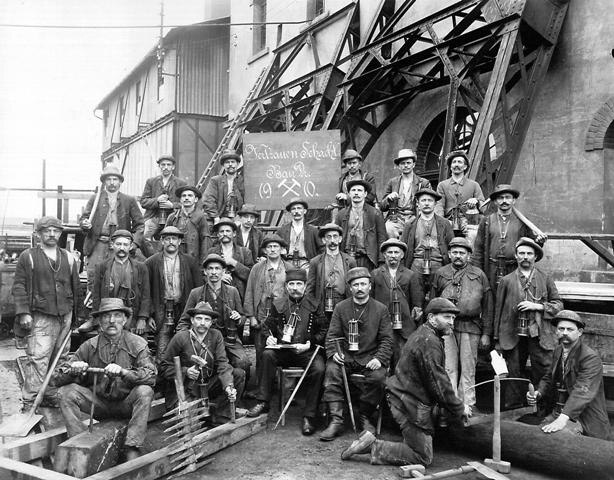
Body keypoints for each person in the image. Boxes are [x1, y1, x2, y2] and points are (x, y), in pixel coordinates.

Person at [340, 298, 471, 467]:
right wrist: (460, 408)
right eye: (447, 317)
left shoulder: (426, 334)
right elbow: (439, 383)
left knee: (424, 443)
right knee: (422, 457)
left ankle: (373, 442)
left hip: (407, 397)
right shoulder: (428, 341)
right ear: (431, 318)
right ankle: (372, 445)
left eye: (453, 318)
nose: (451, 322)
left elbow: (436, 379)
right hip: (407, 403)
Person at [54, 298, 156, 461]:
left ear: (124, 319)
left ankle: (132, 446)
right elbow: (56, 379)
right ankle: (79, 442)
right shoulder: (89, 345)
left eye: (117, 315)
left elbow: (151, 377)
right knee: (65, 392)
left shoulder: (138, 344)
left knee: (145, 391)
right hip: (98, 404)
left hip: (125, 405)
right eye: (106, 316)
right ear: (99, 321)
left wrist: (124, 372)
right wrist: (74, 371)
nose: (111, 321)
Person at [246, 269, 327, 436]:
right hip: (284, 350)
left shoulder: (315, 304)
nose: (295, 288)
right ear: (286, 286)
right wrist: (269, 338)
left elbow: (325, 330)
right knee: (267, 355)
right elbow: (267, 326)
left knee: (319, 368)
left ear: (305, 286)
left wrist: (309, 343)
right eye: (291, 284)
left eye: (299, 284)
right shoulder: (278, 304)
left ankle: (310, 415)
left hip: (306, 351)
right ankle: (263, 401)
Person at [12, 216, 79, 409]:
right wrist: (24, 312)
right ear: (39, 234)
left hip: (65, 314)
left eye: (56, 231)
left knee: (60, 357)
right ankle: (31, 400)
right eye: (47, 231)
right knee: (38, 358)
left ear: (60, 233)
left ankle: (49, 393)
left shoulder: (68, 257)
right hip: (41, 315)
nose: (52, 234)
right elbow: (19, 286)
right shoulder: (29, 256)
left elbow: (76, 288)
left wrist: (77, 317)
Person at [320, 267, 393, 441]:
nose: (359, 288)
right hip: (345, 356)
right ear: (350, 288)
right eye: (355, 285)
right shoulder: (341, 307)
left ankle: (365, 416)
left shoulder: (381, 309)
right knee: (331, 370)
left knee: (378, 378)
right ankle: (336, 420)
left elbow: (387, 340)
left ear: (369, 286)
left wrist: (379, 358)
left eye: (363, 284)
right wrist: (333, 353)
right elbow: (332, 335)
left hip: (370, 357)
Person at [494, 237, 563, 407]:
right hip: (512, 334)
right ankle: (513, 410)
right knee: (514, 372)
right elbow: (498, 311)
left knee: (543, 370)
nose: (525, 256)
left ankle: (543, 408)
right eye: (522, 253)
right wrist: (496, 339)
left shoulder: (545, 278)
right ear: (516, 256)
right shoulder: (506, 280)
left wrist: (537, 306)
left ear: (535, 257)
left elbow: (558, 305)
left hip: (539, 334)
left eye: (529, 253)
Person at [527, 310, 611, 440]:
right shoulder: (558, 350)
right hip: (560, 412)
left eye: (570, 329)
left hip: (583, 417)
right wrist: (538, 393)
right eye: (561, 328)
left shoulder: (590, 358)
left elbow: (582, 391)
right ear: (556, 331)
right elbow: (549, 377)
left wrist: (562, 419)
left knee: (559, 440)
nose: (564, 332)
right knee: (537, 437)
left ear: (580, 332)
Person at [430, 237, 492, 410]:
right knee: (448, 367)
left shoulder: (479, 275)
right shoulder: (441, 273)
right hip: (445, 328)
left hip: (470, 327)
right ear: (449, 254)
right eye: (455, 252)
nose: (458, 256)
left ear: (469, 255)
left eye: (462, 253)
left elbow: (488, 306)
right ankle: (450, 405)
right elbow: (433, 303)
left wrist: (486, 332)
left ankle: (467, 405)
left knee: (468, 369)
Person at [160, 301, 243, 423]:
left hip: (207, 385)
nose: (202, 323)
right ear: (192, 320)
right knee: (189, 423)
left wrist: (228, 386)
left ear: (211, 322)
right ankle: (199, 412)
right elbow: (163, 367)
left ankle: (220, 414)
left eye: (207, 319)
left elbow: (222, 363)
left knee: (238, 374)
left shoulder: (216, 336)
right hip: (187, 388)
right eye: (199, 318)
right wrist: (185, 371)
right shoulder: (180, 338)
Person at [177, 254, 251, 375]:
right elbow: (184, 321)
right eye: (210, 269)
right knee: (198, 364)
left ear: (224, 271)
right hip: (204, 339)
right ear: (205, 272)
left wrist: (238, 319)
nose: (214, 272)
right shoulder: (196, 293)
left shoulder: (232, 292)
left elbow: (243, 318)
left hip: (229, 339)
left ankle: (238, 391)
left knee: (243, 362)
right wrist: (184, 339)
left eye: (217, 268)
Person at [471, 184, 546, 294]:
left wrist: (539, 241)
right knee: (491, 301)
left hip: (514, 268)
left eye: (507, 197)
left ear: (514, 200)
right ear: (495, 201)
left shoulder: (523, 222)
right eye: (500, 198)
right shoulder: (487, 221)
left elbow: (532, 247)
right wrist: (478, 273)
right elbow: (478, 249)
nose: (504, 201)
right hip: (491, 269)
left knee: (512, 300)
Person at [80, 165, 144, 287]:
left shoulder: (128, 200)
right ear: (104, 182)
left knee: (119, 278)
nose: (112, 182)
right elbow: (84, 219)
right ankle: (93, 303)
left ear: (120, 182)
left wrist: (134, 244)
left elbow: (140, 224)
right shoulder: (95, 199)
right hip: (97, 244)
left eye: (115, 179)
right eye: (108, 179)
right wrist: (85, 224)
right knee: (94, 277)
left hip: (119, 245)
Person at [145, 226, 202, 361]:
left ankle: (183, 378)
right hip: (162, 310)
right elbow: (146, 292)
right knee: (163, 349)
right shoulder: (151, 262)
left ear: (179, 241)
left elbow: (199, 289)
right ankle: (162, 378)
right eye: (167, 239)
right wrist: (149, 316)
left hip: (184, 310)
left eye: (174, 239)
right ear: (162, 241)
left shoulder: (190, 262)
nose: (171, 242)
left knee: (185, 348)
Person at [243, 235, 293, 382]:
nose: (272, 249)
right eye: (269, 247)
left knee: (282, 349)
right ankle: (260, 387)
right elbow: (250, 291)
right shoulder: (257, 268)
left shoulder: (288, 268)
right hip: (262, 314)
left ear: (282, 249)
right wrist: (251, 317)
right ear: (265, 250)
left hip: (283, 315)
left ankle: (282, 386)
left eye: (276, 246)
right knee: (261, 351)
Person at [371, 239, 423, 368]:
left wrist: (413, 319)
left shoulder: (411, 275)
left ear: (402, 255)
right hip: (382, 324)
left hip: (404, 327)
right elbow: (371, 300)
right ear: (384, 255)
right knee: (383, 359)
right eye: (389, 252)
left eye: (396, 252)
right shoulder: (376, 274)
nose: (393, 255)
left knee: (401, 361)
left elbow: (416, 303)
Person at [91, 230, 151, 334]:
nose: (122, 248)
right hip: (110, 316)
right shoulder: (102, 267)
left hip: (133, 316)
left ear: (130, 246)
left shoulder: (141, 267)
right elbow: (96, 295)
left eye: (125, 244)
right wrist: (97, 319)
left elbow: (146, 295)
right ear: (112, 245)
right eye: (118, 244)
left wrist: (142, 318)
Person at [400, 188, 454, 297]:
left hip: (438, 264)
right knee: (416, 297)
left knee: (437, 297)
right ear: (418, 204)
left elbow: (451, 246)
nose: (426, 203)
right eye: (423, 200)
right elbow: (403, 248)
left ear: (435, 204)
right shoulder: (410, 224)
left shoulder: (444, 224)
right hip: (417, 263)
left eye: (430, 200)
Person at [335, 179, 387, 271]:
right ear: (349, 194)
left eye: (359, 190)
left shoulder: (375, 213)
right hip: (346, 258)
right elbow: (336, 237)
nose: (356, 193)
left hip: (367, 259)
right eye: (353, 190)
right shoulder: (341, 214)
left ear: (365, 194)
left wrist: (381, 261)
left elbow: (382, 239)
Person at [306, 223, 356, 317]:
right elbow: (309, 289)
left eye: (335, 236)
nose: (332, 240)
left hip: (344, 303)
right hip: (323, 306)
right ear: (324, 240)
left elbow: (354, 286)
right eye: (329, 237)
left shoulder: (350, 261)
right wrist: (315, 307)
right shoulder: (315, 262)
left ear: (340, 239)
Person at [380, 149, 431, 239]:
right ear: (399, 166)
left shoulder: (423, 183)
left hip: (415, 217)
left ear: (413, 164)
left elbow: (430, 202)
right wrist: (388, 198)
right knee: (388, 229)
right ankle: (394, 251)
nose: (406, 165)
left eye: (408, 163)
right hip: (396, 218)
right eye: (403, 163)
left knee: (420, 234)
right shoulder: (393, 182)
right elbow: (382, 207)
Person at [434, 150, 484, 235]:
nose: (456, 165)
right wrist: (442, 224)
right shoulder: (442, 185)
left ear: (465, 166)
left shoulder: (474, 185)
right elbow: (439, 206)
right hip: (448, 222)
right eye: (454, 162)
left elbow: (483, 207)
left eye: (460, 162)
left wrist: (476, 201)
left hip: (469, 223)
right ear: (450, 166)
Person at [139, 155, 187, 241]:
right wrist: (157, 200)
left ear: (173, 167)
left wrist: (172, 205)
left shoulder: (181, 183)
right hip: (154, 218)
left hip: (174, 218)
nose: (166, 167)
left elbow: (185, 203)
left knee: (177, 238)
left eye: (168, 165)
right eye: (163, 165)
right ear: (159, 166)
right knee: (144, 237)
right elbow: (143, 202)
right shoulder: (151, 181)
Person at [207, 218, 254, 300]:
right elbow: (204, 274)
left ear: (234, 233)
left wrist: (234, 263)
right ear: (218, 234)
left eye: (228, 231)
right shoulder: (212, 252)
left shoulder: (245, 252)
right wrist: (218, 276)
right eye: (221, 231)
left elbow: (251, 276)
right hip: (216, 296)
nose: (225, 234)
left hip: (239, 297)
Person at [165, 185, 210, 266]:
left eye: (190, 196)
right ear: (180, 199)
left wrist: (202, 265)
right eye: (184, 196)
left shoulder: (201, 218)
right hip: (174, 261)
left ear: (195, 199)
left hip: (193, 262)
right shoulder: (173, 217)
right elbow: (164, 239)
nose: (186, 198)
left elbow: (205, 242)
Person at [276, 198, 321, 269]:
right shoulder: (282, 231)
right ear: (290, 212)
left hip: (307, 265)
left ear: (305, 211)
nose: (296, 211)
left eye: (299, 208)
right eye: (293, 209)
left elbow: (322, 249)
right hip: (286, 265)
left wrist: (315, 263)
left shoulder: (313, 231)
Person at [202, 149, 245, 224]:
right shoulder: (215, 180)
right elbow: (208, 199)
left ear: (237, 164)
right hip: (220, 216)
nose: (230, 164)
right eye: (227, 162)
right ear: (223, 165)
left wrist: (240, 216)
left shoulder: (243, 181)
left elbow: (247, 201)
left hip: (239, 217)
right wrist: (215, 217)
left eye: (233, 162)